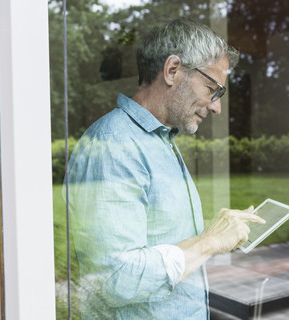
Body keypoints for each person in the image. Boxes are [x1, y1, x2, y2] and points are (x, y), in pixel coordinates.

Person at [66, 18, 265, 319]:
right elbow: (115, 278)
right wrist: (209, 242)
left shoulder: (159, 139)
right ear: (172, 70)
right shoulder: (114, 145)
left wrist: (216, 230)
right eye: (213, 88)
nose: (216, 107)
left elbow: (158, 233)